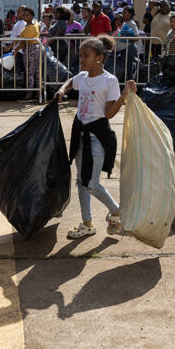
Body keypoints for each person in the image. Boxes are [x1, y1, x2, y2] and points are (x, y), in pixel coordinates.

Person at [54, 35, 137, 238]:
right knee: (82, 182)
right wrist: (62, 89)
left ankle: (116, 210)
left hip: (97, 138)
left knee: (91, 183)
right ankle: (87, 223)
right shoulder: (82, 77)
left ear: (99, 58)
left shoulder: (109, 80)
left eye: (86, 56)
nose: (82, 60)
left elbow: (109, 113)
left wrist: (123, 97)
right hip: (80, 134)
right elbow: (71, 82)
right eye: (81, 56)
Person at [13, 7, 40, 101]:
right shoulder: (32, 23)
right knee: (36, 72)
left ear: (32, 15)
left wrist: (15, 50)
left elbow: (24, 42)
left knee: (30, 73)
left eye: (27, 15)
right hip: (35, 49)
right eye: (24, 15)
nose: (25, 17)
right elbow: (20, 37)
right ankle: (38, 93)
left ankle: (29, 95)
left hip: (31, 50)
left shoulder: (31, 26)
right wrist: (11, 46)